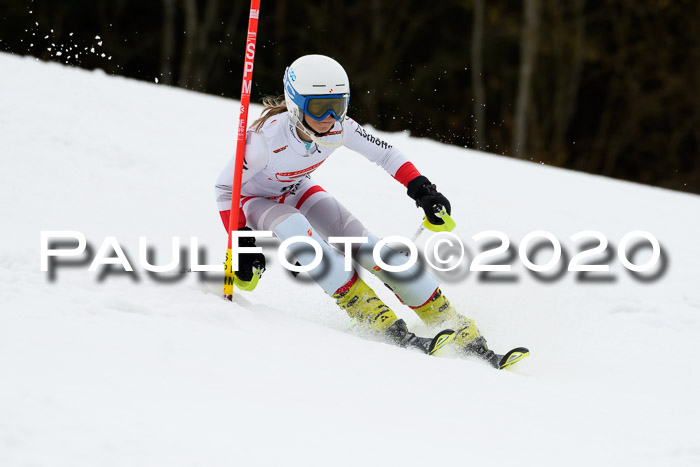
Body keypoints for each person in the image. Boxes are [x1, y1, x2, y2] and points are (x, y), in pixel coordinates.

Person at [215, 54, 491, 359]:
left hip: (296, 187)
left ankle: (445, 316)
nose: (331, 118)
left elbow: (385, 155)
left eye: (339, 105)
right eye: (320, 107)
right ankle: (370, 312)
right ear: (295, 104)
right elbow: (226, 188)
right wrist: (241, 240)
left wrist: (422, 189)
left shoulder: (339, 127)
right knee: (297, 230)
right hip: (254, 200)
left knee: (365, 244)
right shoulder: (262, 142)